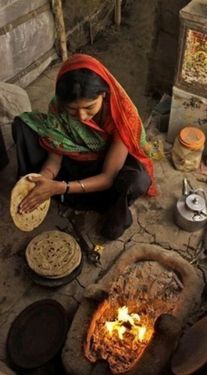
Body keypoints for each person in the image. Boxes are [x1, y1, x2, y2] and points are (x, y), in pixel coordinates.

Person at [12, 54, 157, 240]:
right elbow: (55, 157)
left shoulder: (122, 116)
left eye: (89, 107)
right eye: (72, 110)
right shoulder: (58, 108)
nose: (81, 116)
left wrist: (60, 187)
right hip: (75, 161)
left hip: (106, 171)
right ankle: (50, 192)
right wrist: (45, 179)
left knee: (137, 179)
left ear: (103, 94)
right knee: (23, 126)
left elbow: (107, 177)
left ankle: (107, 208)